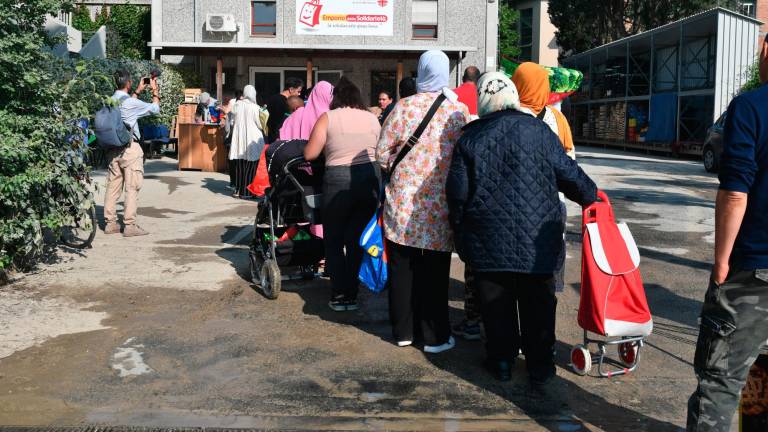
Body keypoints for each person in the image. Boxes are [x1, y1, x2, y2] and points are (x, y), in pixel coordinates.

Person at [446, 72, 597, 384]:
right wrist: (589, 194)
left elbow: (457, 194)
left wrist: (461, 234)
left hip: (487, 238)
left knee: (495, 303)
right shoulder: (539, 131)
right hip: (538, 239)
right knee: (539, 304)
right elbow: (570, 175)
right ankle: (540, 366)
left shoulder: (471, 138)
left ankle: (501, 362)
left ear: (484, 101)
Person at [686, 35, 768, 432]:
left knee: (722, 379)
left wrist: (721, 263)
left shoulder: (752, 107)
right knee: (762, 376)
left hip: (752, 268)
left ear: (767, 52)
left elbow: (736, 191)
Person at [377, 50, 470, 353]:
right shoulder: (458, 112)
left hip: (402, 205)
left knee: (402, 270)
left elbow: (381, 154)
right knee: (434, 273)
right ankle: (434, 337)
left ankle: (403, 332)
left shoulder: (402, 107)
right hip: (439, 206)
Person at [304, 77, 382, 311]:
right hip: (369, 178)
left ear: (336, 97)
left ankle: (340, 294)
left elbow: (310, 153)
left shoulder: (328, 117)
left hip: (337, 179)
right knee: (357, 239)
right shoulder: (371, 118)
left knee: (334, 240)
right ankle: (353, 292)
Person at [103, 69, 160, 237]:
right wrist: (155, 91)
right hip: (130, 148)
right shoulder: (131, 103)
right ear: (128, 83)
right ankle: (129, 226)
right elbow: (155, 109)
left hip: (113, 149)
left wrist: (138, 91)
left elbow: (126, 108)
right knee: (132, 187)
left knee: (113, 187)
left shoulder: (109, 101)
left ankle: (110, 223)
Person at [450, 65, 483, 340]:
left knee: (474, 264)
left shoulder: (453, 98)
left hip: (475, 206)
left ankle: (473, 320)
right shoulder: (535, 123)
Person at [229, 85, 266, 198]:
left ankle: (238, 190)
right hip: (252, 139)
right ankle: (247, 192)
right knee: (251, 166)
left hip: (239, 139)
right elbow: (260, 124)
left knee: (239, 166)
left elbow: (232, 122)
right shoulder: (255, 108)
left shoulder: (237, 105)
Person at [266, 77, 304, 143]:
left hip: (272, 137)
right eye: (298, 91)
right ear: (291, 89)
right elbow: (279, 122)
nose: (299, 94)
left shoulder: (273, 98)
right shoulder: (284, 102)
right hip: (278, 139)